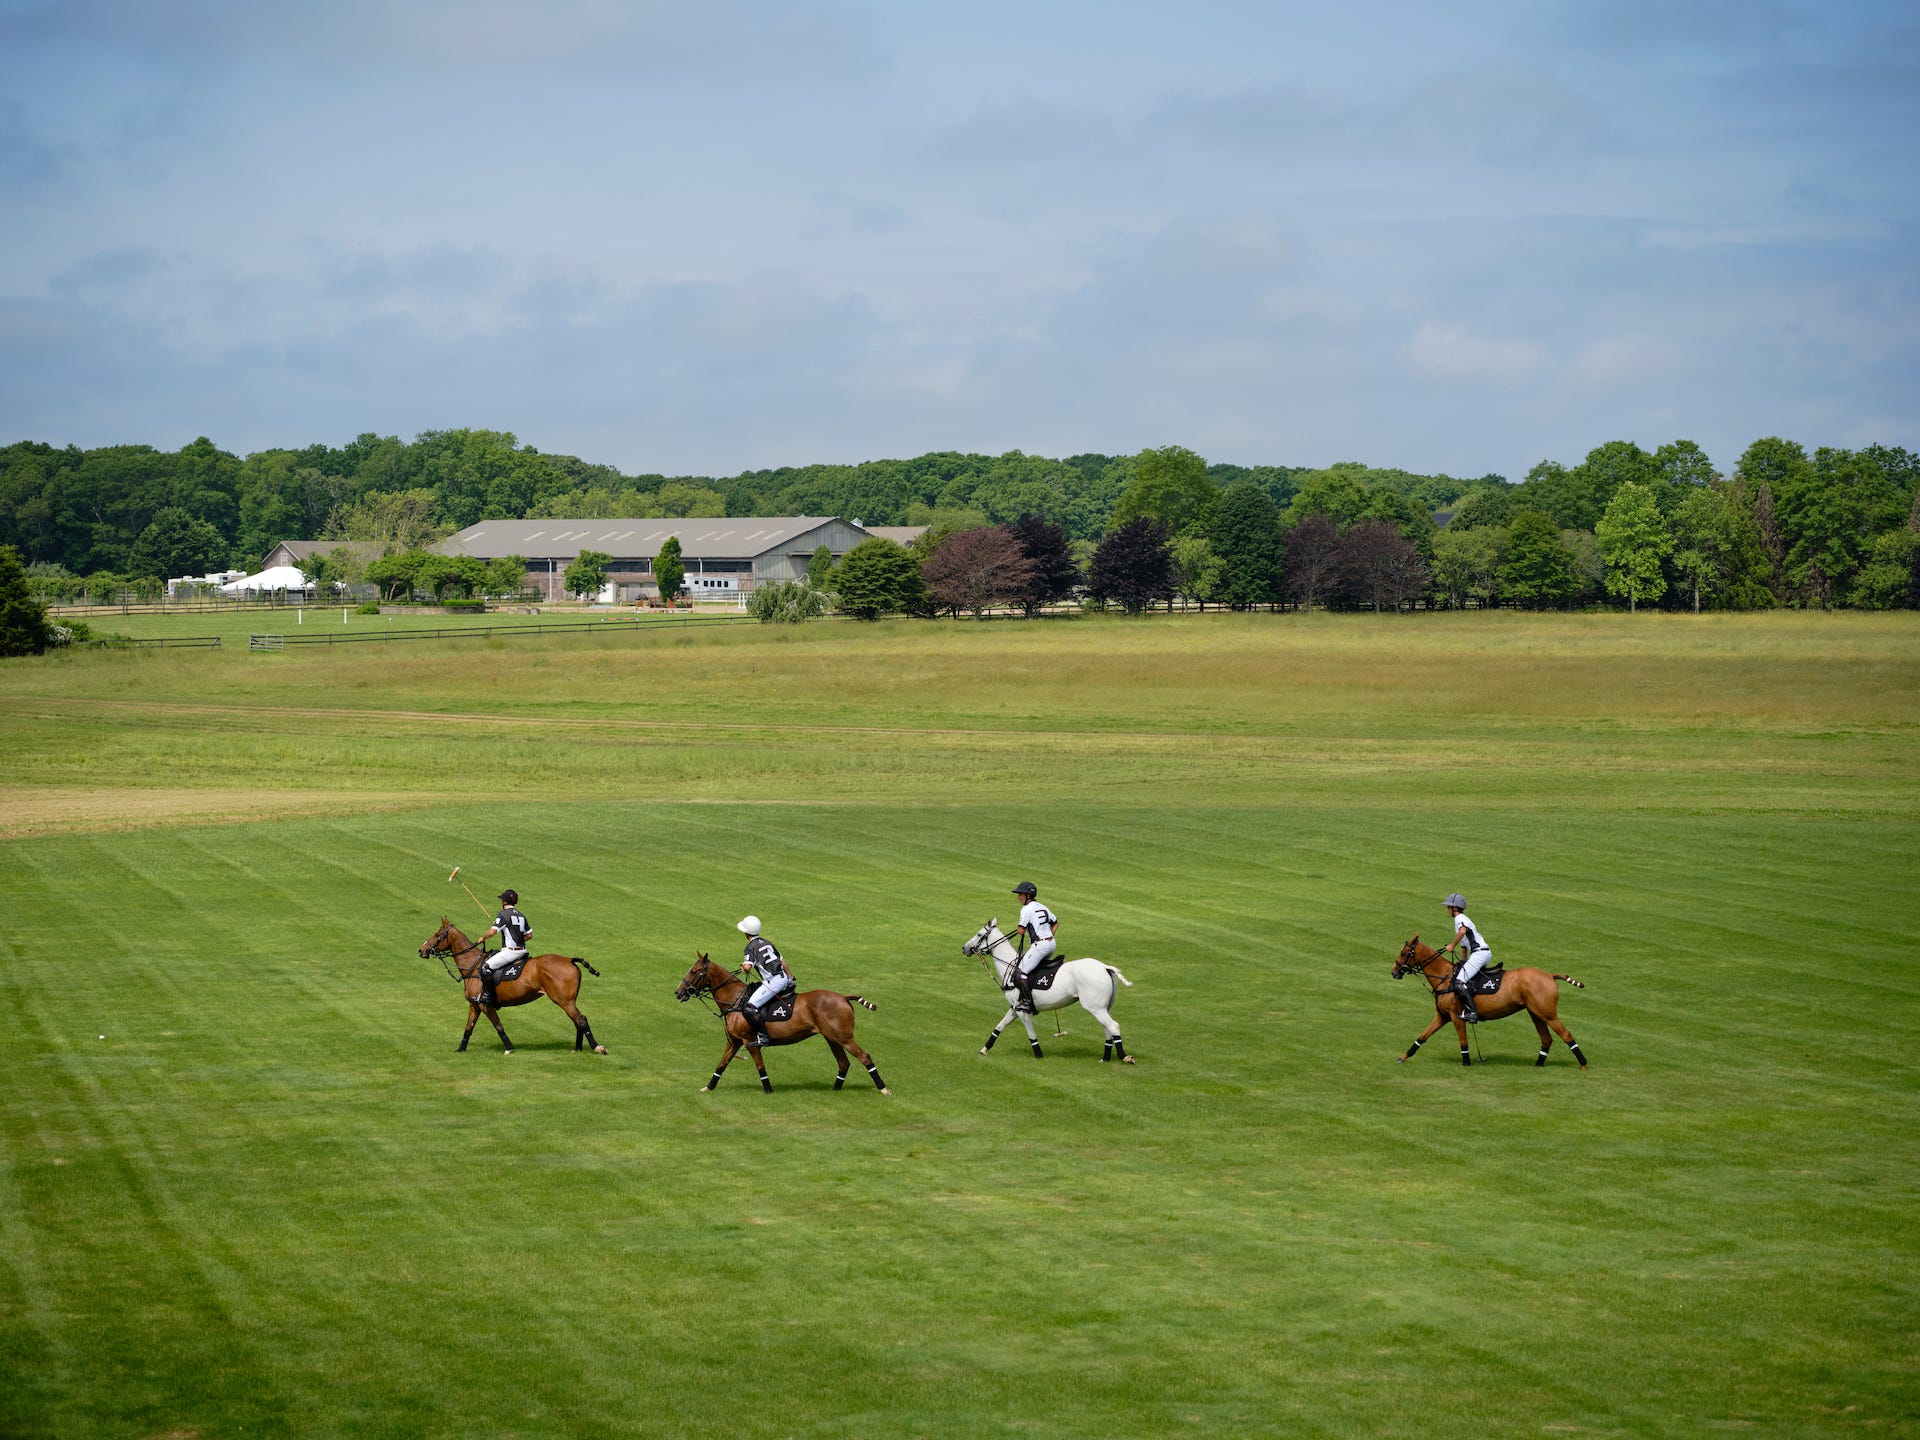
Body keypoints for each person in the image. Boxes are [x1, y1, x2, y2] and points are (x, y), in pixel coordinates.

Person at [736, 915, 792, 1048]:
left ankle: (763, 1037)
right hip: (783, 977)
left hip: (773, 982)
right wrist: (790, 977)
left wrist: (743, 967)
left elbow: (747, 968)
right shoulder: (767, 942)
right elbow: (782, 961)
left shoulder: (750, 947)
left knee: (749, 1006)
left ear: (746, 933)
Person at [1009, 881, 1058, 1014]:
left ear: (1028, 896)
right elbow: (1055, 923)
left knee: (1020, 973)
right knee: (1034, 968)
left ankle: (1027, 1002)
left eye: (1020, 894)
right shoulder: (1043, 906)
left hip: (1040, 946)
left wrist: (1021, 929)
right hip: (1051, 944)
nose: (1018, 897)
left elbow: (1020, 931)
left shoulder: (1026, 909)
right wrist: (1048, 937)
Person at [1443, 892, 1492, 1023]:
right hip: (1482, 953)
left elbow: (1463, 931)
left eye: (1448, 907)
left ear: (1455, 908)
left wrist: (1452, 946)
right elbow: (1464, 946)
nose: (1447, 909)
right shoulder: (1461, 920)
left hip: (1479, 954)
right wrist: (1463, 961)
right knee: (1467, 978)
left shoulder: (1459, 918)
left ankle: (1473, 1013)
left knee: (1459, 982)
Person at [478, 888, 532, 1008]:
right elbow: (529, 935)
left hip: (510, 952)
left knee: (486, 967)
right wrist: (518, 939)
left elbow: (492, 932)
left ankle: (489, 996)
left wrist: (483, 938)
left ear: (504, 902)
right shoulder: (521, 916)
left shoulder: (503, 915)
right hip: (522, 951)